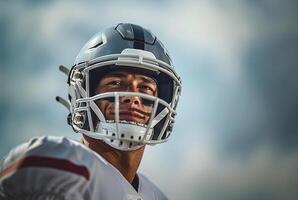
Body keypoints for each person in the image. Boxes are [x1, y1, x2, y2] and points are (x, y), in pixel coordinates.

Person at [0, 23, 182, 200]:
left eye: (145, 88)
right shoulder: (58, 165)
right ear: (82, 92)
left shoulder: (157, 196)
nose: (133, 97)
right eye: (116, 83)